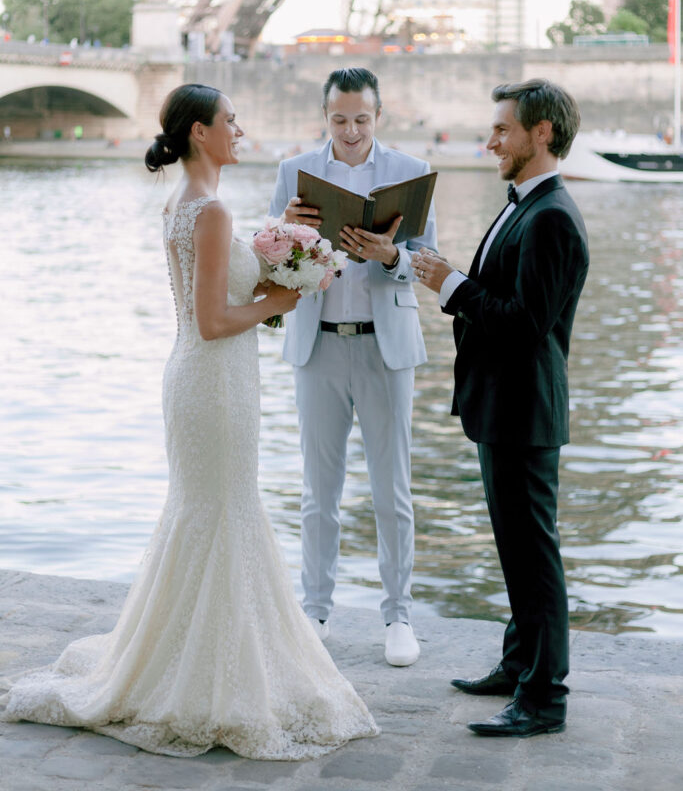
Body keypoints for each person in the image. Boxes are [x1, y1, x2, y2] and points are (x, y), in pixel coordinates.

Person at [3, 83, 378, 759]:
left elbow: (207, 308)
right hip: (214, 382)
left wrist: (268, 275)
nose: (239, 128)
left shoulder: (185, 204)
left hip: (201, 380)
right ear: (200, 133)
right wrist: (280, 300)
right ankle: (209, 675)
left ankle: (194, 658)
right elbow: (213, 322)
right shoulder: (209, 213)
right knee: (222, 511)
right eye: (229, 120)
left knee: (206, 512)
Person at [412, 78, 589, 738]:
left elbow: (523, 326)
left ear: (540, 133)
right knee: (517, 549)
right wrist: (447, 275)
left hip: (522, 410)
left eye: (501, 131)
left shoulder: (550, 217)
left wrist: (453, 285)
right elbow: (499, 296)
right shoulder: (525, 206)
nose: (488, 142)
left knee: (532, 554)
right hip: (503, 405)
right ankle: (519, 667)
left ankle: (544, 698)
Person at [269, 67, 437, 667]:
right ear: (325, 116)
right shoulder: (294, 173)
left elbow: (425, 260)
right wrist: (290, 230)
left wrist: (391, 255)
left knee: (393, 491)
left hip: (385, 350)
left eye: (361, 119)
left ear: (378, 116)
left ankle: (399, 615)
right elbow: (271, 263)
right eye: (339, 119)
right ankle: (316, 610)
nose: (350, 131)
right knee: (319, 492)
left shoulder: (411, 173)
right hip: (317, 347)